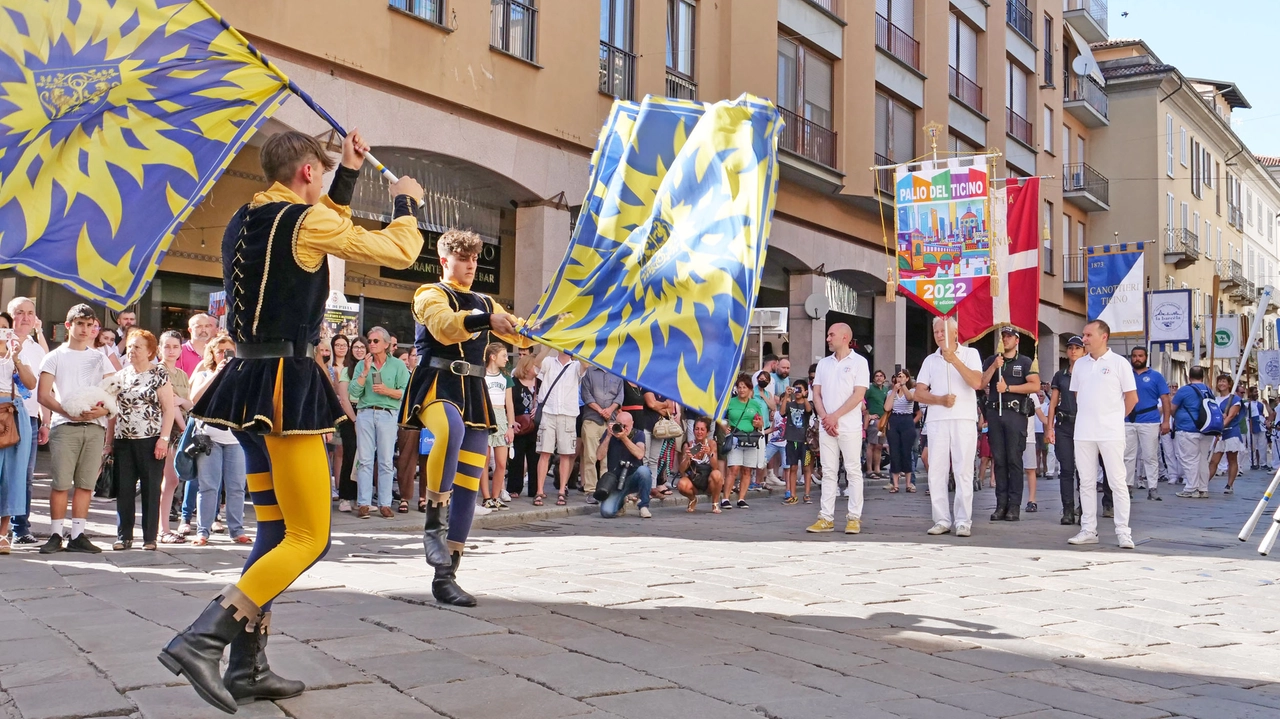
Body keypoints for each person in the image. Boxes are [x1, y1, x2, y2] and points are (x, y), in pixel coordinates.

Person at [162, 128, 424, 712]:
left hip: (249, 385)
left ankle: (248, 668)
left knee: (275, 531)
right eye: (323, 172)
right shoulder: (303, 224)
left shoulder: (246, 219)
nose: (324, 181)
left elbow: (320, 221)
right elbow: (401, 253)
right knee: (310, 537)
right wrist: (405, 200)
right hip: (286, 387)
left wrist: (349, 174)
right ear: (307, 171)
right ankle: (201, 640)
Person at [400, 229, 532, 608]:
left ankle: (447, 574)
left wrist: (538, 329)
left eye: (475, 259)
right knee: (450, 430)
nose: (472, 265)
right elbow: (444, 325)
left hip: (473, 391)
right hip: (437, 382)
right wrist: (488, 320)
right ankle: (431, 529)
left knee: (471, 479)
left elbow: (518, 332)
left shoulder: (485, 300)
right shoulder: (428, 294)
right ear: (445, 261)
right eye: (463, 258)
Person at [38, 304, 115, 555]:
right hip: (66, 426)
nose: (85, 329)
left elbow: (114, 388)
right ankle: (56, 534)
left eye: (89, 324)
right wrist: (64, 411)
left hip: (94, 427)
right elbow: (43, 393)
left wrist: (104, 410)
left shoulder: (99, 357)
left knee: (85, 484)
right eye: (79, 324)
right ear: (68, 326)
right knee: (61, 483)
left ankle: (78, 534)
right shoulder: (55, 356)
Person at [1067, 320, 1138, 549]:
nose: (1084, 339)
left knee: (1117, 482)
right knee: (1086, 482)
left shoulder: (1119, 363)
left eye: (1088, 335)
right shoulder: (1079, 365)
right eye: (1083, 335)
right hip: (1084, 432)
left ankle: (1123, 532)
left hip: (1111, 432)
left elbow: (1132, 398)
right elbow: (1079, 395)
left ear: (1103, 336)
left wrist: (1114, 417)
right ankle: (1088, 529)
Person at [913, 316, 985, 536]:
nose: (939, 335)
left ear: (956, 333)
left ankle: (963, 520)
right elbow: (919, 392)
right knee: (936, 470)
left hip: (963, 418)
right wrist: (940, 400)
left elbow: (976, 382)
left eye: (943, 331)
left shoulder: (970, 354)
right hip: (937, 420)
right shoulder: (930, 360)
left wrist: (954, 359)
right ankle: (941, 519)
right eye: (936, 332)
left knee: (963, 469)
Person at [108, 330, 176, 551]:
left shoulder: (159, 374)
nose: (132, 351)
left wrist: (163, 439)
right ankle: (123, 535)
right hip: (124, 440)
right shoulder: (121, 375)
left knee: (150, 488)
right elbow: (112, 411)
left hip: (151, 440)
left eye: (137, 347)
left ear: (150, 351)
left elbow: (168, 409)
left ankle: (149, 537)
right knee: (124, 488)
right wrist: (109, 442)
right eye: (129, 347)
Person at [806, 323, 870, 534]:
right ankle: (826, 517)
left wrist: (835, 417)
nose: (828, 338)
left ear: (844, 337)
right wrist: (825, 418)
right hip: (827, 426)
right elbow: (816, 394)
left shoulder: (860, 362)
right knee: (829, 471)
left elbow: (858, 395)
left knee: (853, 470)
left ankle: (854, 517)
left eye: (831, 335)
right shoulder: (823, 364)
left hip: (849, 426)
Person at [188, 337, 250, 546]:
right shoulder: (205, 374)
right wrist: (216, 374)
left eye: (229, 351)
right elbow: (194, 399)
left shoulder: (243, 376)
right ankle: (202, 531)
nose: (224, 355)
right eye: (220, 351)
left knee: (236, 487)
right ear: (212, 355)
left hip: (236, 440)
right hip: (210, 439)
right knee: (208, 486)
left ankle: (237, 530)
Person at [349, 326, 410, 519]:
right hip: (365, 413)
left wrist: (387, 391)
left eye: (375, 341)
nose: (371, 344)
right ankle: (364, 504)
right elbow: (353, 392)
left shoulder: (398, 366)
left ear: (386, 344)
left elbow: (406, 392)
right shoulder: (363, 364)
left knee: (385, 461)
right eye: (370, 341)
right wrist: (365, 372)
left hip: (387, 414)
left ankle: (385, 504)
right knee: (365, 461)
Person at [981, 326, 1040, 521]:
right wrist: (993, 367)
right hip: (995, 413)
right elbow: (981, 383)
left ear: (1017, 341)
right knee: (999, 460)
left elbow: (1034, 385)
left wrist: (1008, 387)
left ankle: (1014, 505)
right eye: (1003, 336)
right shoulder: (992, 360)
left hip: (1015, 414)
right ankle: (1000, 505)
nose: (1005, 339)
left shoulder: (1024, 362)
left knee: (1014, 460)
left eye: (1009, 337)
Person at [6, 297, 48, 547]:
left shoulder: (37, 348)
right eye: (19, 312)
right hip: (4, 414)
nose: (25, 317)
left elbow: (44, 389)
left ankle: (20, 528)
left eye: (30, 313)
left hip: (30, 420)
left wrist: (46, 422)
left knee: (26, 476)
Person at [0, 326, 35, 555]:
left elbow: (31, 384)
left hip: (14, 412)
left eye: (6, 330)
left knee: (13, 475)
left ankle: (3, 534)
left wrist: (17, 358)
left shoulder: (16, 356)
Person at [156, 331, 192, 544]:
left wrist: (181, 402)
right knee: (168, 480)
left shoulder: (182, 374)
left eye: (175, 346)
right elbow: (169, 405)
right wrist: (185, 427)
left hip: (181, 430)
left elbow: (188, 403)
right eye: (167, 346)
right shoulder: (158, 371)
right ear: (160, 348)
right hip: (166, 430)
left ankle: (164, 527)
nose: (171, 350)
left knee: (173, 480)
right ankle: (163, 528)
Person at [533, 350, 580, 506]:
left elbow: (586, 364)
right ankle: (539, 491)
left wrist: (578, 348)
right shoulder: (549, 361)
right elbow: (536, 362)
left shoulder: (576, 365)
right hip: (548, 412)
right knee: (544, 452)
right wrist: (547, 344)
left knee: (565, 454)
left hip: (568, 413)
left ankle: (562, 490)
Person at [1124, 346, 1171, 502]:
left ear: (1146, 357)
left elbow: (1165, 399)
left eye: (1140, 356)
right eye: (1134, 356)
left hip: (1149, 420)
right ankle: (1127, 487)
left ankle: (1152, 488)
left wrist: (1165, 421)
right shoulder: (1125, 375)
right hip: (1127, 421)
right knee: (1127, 456)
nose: (1137, 358)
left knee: (1150, 456)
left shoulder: (1156, 376)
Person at [1047, 335, 1084, 525]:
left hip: (1084, 425)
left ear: (1084, 351)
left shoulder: (1088, 372)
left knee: (1085, 471)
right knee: (1066, 469)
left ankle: (1085, 509)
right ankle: (1068, 509)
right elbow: (1053, 403)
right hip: (1064, 425)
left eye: (1078, 347)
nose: (1073, 351)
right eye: (1070, 348)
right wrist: (1049, 427)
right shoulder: (1060, 375)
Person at [720, 374, 768, 510]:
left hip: (751, 439)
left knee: (747, 470)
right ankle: (725, 498)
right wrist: (725, 426)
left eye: (744, 387)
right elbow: (721, 418)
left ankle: (741, 498)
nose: (741, 390)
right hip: (735, 438)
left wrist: (758, 423)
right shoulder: (730, 402)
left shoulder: (755, 404)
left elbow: (761, 423)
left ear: (750, 389)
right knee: (733, 468)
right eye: (739, 387)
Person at [579, 365, 624, 505]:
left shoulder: (618, 372)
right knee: (590, 456)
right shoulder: (590, 372)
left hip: (611, 420)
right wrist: (600, 410)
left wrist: (610, 410)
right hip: (592, 418)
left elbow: (620, 396)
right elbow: (586, 394)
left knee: (607, 458)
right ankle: (591, 490)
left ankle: (604, 488)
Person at [596, 411, 652, 519]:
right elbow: (599, 456)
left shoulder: (638, 434)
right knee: (606, 512)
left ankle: (643, 506)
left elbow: (640, 454)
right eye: (619, 424)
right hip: (616, 480)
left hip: (633, 477)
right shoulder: (610, 434)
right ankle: (621, 502)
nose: (622, 428)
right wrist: (608, 436)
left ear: (632, 424)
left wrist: (624, 438)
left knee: (644, 471)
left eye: (625, 426)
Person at [480, 343, 514, 510]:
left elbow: (510, 404)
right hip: (486, 416)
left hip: (501, 418)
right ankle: (486, 497)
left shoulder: (505, 378)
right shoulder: (481, 375)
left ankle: (496, 496)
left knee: (501, 462)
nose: (507, 359)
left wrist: (511, 426)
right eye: (504, 356)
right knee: (484, 460)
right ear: (492, 357)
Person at [1172, 367, 1214, 499]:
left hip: (1187, 429)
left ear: (1189, 377)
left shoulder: (1184, 390)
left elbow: (1173, 408)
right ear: (1203, 376)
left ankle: (1191, 488)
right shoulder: (1208, 390)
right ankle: (1203, 488)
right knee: (1202, 459)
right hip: (1206, 430)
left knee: (1189, 459)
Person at [335, 336, 365, 510]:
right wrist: (354, 420)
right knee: (350, 454)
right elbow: (344, 399)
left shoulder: (373, 369)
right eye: (356, 347)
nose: (359, 350)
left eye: (362, 347)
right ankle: (346, 497)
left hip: (367, 412)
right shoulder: (347, 370)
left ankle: (363, 498)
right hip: (350, 415)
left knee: (365, 458)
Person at [506, 355, 540, 500]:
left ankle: (535, 489)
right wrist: (512, 421)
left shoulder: (539, 383)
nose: (537, 368)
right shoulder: (514, 383)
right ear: (526, 367)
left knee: (535, 458)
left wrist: (538, 408)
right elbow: (509, 404)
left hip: (535, 425)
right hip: (519, 424)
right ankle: (514, 488)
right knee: (517, 458)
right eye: (534, 365)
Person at [1203, 374, 1243, 495]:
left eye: (1224, 381)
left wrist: (1221, 426)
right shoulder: (1214, 399)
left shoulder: (1235, 400)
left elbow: (1231, 416)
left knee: (1232, 459)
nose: (1221, 383)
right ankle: (1203, 484)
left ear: (1229, 384)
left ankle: (1229, 485)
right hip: (1218, 434)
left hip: (1231, 431)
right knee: (1214, 460)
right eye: (1219, 381)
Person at [676, 416, 723, 512]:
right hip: (694, 479)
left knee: (717, 475)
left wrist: (710, 454)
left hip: (708, 479)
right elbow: (681, 470)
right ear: (693, 431)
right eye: (697, 429)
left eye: (702, 429)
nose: (699, 432)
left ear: (707, 432)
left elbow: (715, 467)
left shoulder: (711, 444)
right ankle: (692, 499)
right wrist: (687, 458)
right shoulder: (688, 445)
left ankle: (715, 503)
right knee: (681, 484)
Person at [882, 369, 917, 493]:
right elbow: (887, 407)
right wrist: (894, 391)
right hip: (894, 420)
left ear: (907, 378)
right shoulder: (891, 392)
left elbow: (910, 398)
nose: (899, 378)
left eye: (902, 376)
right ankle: (895, 484)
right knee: (895, 453)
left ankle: (909, 483)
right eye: (898, 376)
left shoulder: (912, 390)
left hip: (907, 420)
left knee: (906, 452)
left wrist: (903, 386)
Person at [780, 381, 812, 504]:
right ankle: (793, 494)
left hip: (805, 441)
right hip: (791, 439)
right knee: (792, 467)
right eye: (796, 389)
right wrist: (787, 396)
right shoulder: (790, 404)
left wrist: (804, 397)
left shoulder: (807, 404)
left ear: (805, 391)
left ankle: (807, 494)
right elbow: (782, 412)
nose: (797, 392)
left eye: (800, 389)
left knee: (806, 467)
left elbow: (809, 411)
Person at [864, 369, 889, 480]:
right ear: (873, 379)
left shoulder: (885, 390)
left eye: (881, 376)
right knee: (871, 445)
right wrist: (868, 416)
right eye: (877, 376)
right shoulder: (870, 390)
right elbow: (862, 402)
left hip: (883, 421)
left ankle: (877, 469)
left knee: (879, 446)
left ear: (884, 378)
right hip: (873, 421)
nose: (879, 378)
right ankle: (869, 469)